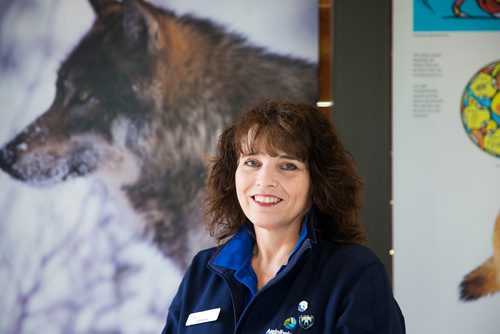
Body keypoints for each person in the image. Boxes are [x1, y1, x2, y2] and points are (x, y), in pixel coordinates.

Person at [161, 100, 405, 333]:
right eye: (252, 162)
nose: (264, 180)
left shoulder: (354, 274)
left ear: (318, 183)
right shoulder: (203, 272)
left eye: (287, 165)